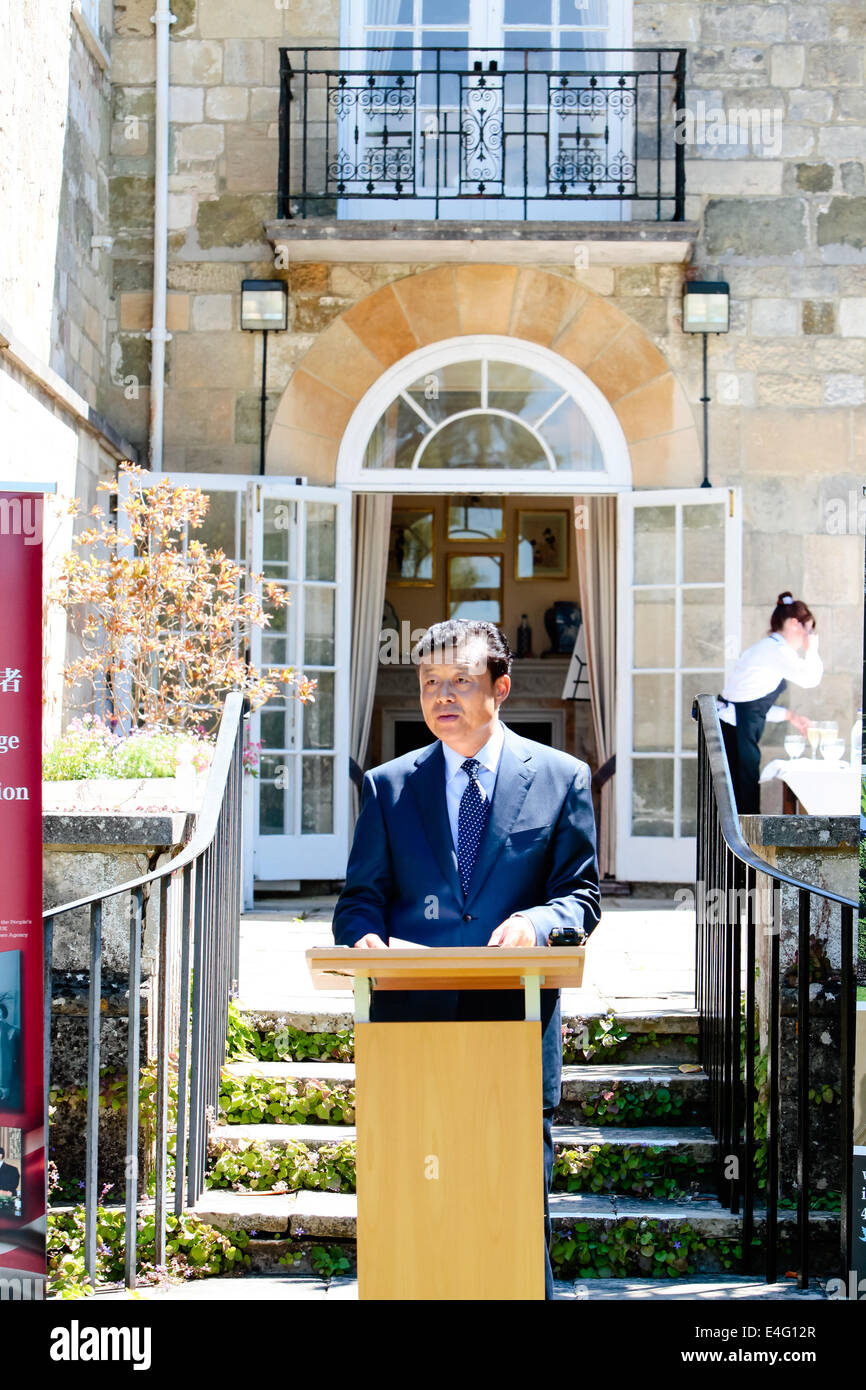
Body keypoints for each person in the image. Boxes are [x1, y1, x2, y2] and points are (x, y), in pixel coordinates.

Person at [331, 618, 601, 1299]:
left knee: (508, 1203)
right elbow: (359, 900)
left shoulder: (562, 779)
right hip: (409, 1030)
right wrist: (364, 938)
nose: (441, 695)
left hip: (511, 1026)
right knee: (414, 1201)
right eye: (428, 683)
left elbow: (580, 897)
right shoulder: (389, 788)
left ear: (500, 688)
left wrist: (537, 923)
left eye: (459, 681)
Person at [716, 592, 822, 814]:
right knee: (740, 802)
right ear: (795, 624)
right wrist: (812, 650)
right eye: (809, 629)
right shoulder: (776, 651)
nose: (810, 636)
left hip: (736, 728)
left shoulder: (767, 648)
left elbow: (751, 706)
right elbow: (810, 679)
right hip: (736, 734)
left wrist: (791, 716)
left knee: (739, 801)